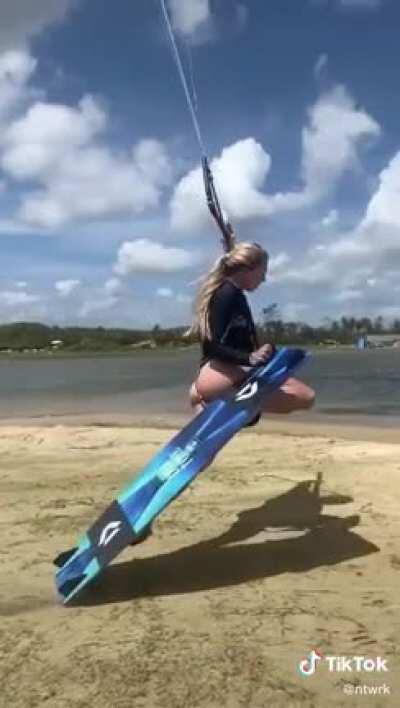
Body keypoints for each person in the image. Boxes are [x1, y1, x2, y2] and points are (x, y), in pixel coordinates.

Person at [188, 242, 315, 418]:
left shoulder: (235, 294)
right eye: (262, 273)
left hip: (226, 374)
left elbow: (234, 341)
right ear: (248, 269)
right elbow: (211, 346)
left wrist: (260, 353)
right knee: (304, 396)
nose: (263, 279)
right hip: (220, 375)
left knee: (304, 395)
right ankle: (211, 400)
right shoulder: (226, 294)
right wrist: (249, 357)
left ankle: (218, 403)